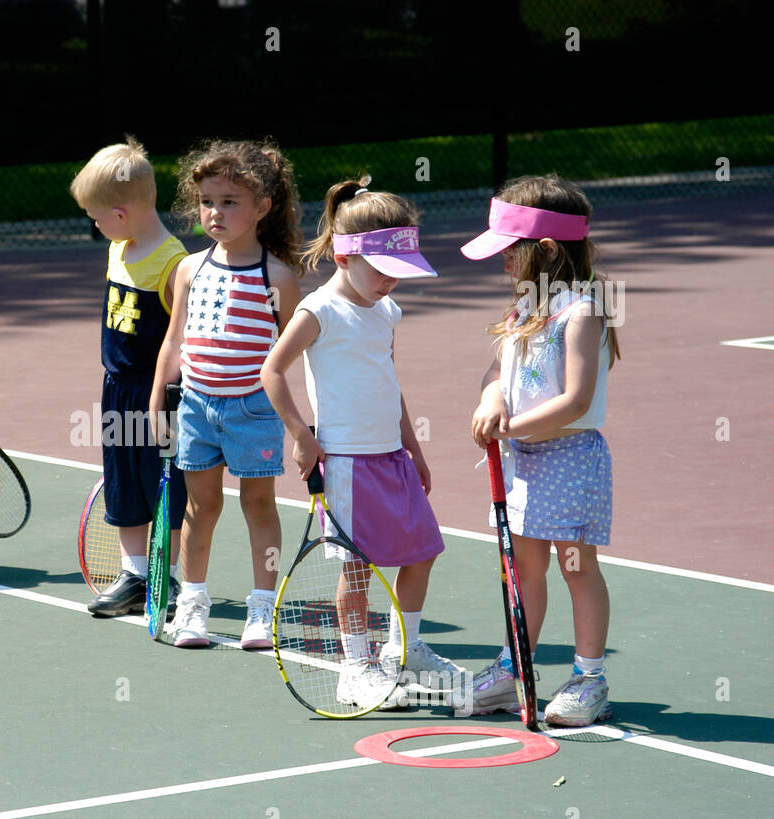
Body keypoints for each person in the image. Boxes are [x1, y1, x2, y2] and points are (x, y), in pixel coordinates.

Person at [261, 178, 461, 706]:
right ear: (345, 256)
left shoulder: (387, 311)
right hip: (347, 463)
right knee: (358, 568)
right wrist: (301, 436)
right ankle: (356, 668)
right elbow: (271, 371)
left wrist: (413, 447)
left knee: (422, 553)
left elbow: (388, 381)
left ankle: (405, 650)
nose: (391, 282)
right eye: (383, 270)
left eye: (400, 272)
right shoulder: (319, 311)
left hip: (391, 459)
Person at [464, 174, 620, 727]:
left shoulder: (582, 311)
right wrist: (491, 399)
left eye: (511, 249)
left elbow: (576, 401)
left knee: (577, 568)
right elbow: (496, 372)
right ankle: (515, 669)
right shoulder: (523, 309)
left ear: (547, 250)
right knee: (524, 570)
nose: (502, 260)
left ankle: (589, 678)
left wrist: (509, 428)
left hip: (570, 458)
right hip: (523, 463)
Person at [150, 140, 302, 650]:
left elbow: (291, 352)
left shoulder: (277, 277)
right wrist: (157, 399)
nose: (214, 212)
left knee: (259, 505)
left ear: (262, 207)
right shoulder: (189, 269)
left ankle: (262, 609)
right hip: (195, 406)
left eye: (229, 202)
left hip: (253, 410)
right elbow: (174, 339)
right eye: (207, 201)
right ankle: (192, 605)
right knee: (201, 507)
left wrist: (298, 421)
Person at [69, 137, 188, 618]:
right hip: (117, 390)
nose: (95, 226)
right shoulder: (119, 247)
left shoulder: (175, 264)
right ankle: (134, 575)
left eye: (96, 218)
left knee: (164, 485)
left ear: (119, 214)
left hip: (159, 394)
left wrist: (163, 398)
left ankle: (165, 576)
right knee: (124, 483)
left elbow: (180, 340)